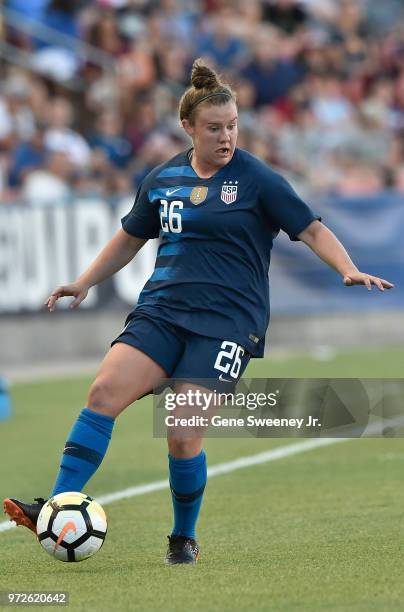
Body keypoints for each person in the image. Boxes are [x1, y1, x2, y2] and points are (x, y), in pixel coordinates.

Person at [3, 59, 394, 565]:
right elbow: (130, 236)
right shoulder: (163, 178)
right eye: (214, 128)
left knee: (183, 432)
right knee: (102, 393)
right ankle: (53, 505)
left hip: (228, 323)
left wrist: (347, 267)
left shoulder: (257, 179)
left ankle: (182, 536)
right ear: (188, 127)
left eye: (232, 126)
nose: (226, 136)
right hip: (163, 311)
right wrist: (84, 281)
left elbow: (312, 228)